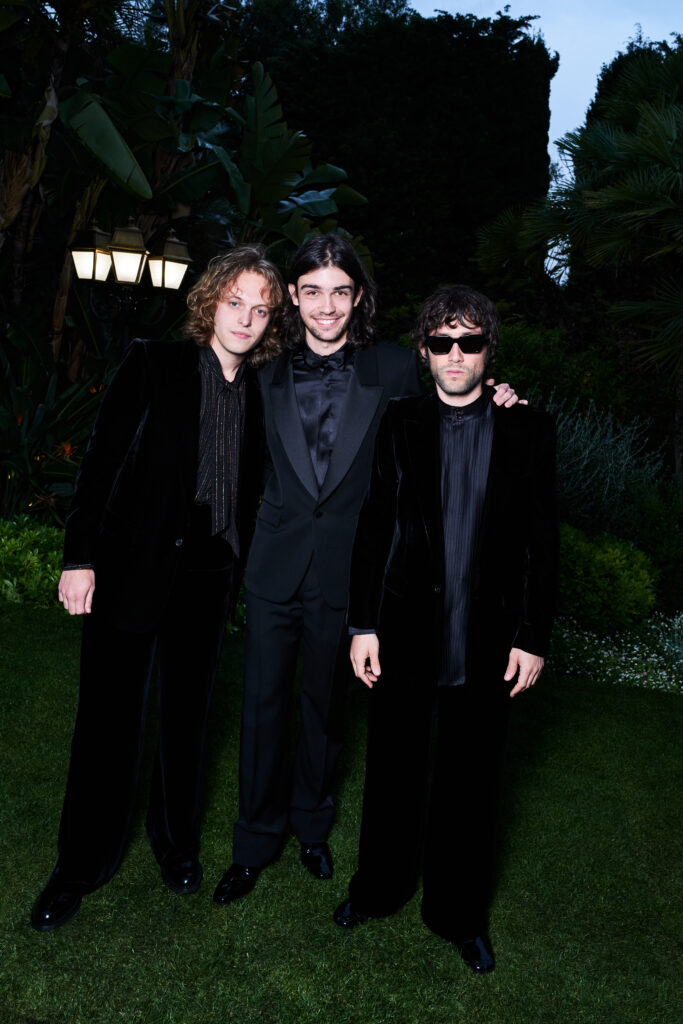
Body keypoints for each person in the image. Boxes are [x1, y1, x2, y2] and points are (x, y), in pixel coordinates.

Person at [213, 238, 518, 905]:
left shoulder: (395, 368)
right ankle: (253, 843)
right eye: (312, 291)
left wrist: (498, 396)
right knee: (262, 709)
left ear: (358, 297)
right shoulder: (263, 370)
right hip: (274, 567)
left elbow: (451, 404)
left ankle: (311, 827)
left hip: (350, 574)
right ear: (293, 298)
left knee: (325, 709)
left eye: (340, 291)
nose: (326, 306)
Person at [30, 244, 285, 932]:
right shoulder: (153, 362)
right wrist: (80, 558)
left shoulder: (265, 390)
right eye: (235, 302)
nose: (246, 318)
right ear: (210, 302)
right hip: (131, 566)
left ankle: (174, 845)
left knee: (186, 721)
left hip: (210, 573)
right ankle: (78, 867)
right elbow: (101, 464)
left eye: (261, 309)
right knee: (107, 722)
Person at [332, 284, 559, 975]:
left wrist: (533, 636)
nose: (455, 354)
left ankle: (458, 914)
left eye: (469, 341)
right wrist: (362, 624)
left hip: (488, 639)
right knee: (393, 770)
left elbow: (541, 543)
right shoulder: (399, 421)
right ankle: (378, 889)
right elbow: (373, 526)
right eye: (441, 341)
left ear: (488, 351)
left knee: (471, 781)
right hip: (404, 630)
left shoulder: (528, 428)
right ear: (425, 351)